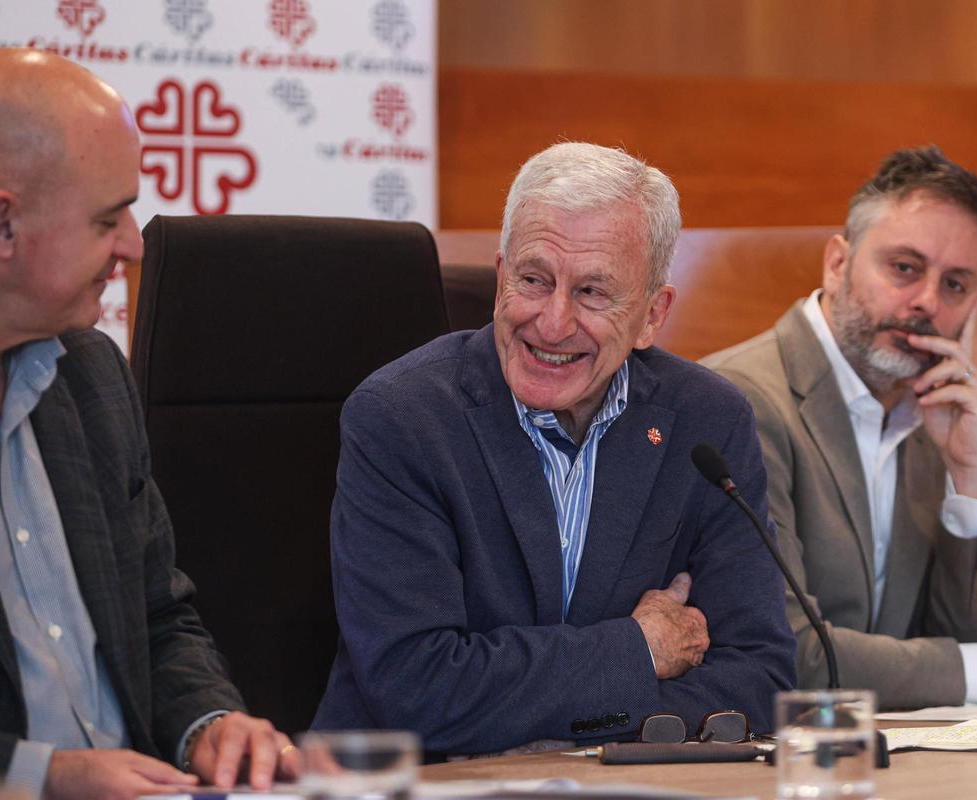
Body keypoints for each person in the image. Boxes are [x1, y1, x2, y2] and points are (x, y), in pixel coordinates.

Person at [314, 142, 797, 755]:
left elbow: (760, 680)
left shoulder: (707, 420)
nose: (552, 322)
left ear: (653, 314)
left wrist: (553, 722)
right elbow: (416, 687)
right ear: (500, 277)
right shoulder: (402, 418)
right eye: (534, 280)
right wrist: (639, 650)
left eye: (593, 292)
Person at [0, 49, 297, 799]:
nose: (134, 244)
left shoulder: (90, 377)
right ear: (1, 225)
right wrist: (44, 777)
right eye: (104, 218)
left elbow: (157, 618)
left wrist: (210, 723)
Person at [702, 146, 977, 709]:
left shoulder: (932, 413)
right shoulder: (735, 400)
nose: (927, 302)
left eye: (955, 285)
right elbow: (788, 655)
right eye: (904, 268)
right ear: (838, 263)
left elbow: (963, 631)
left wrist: (969, 475)